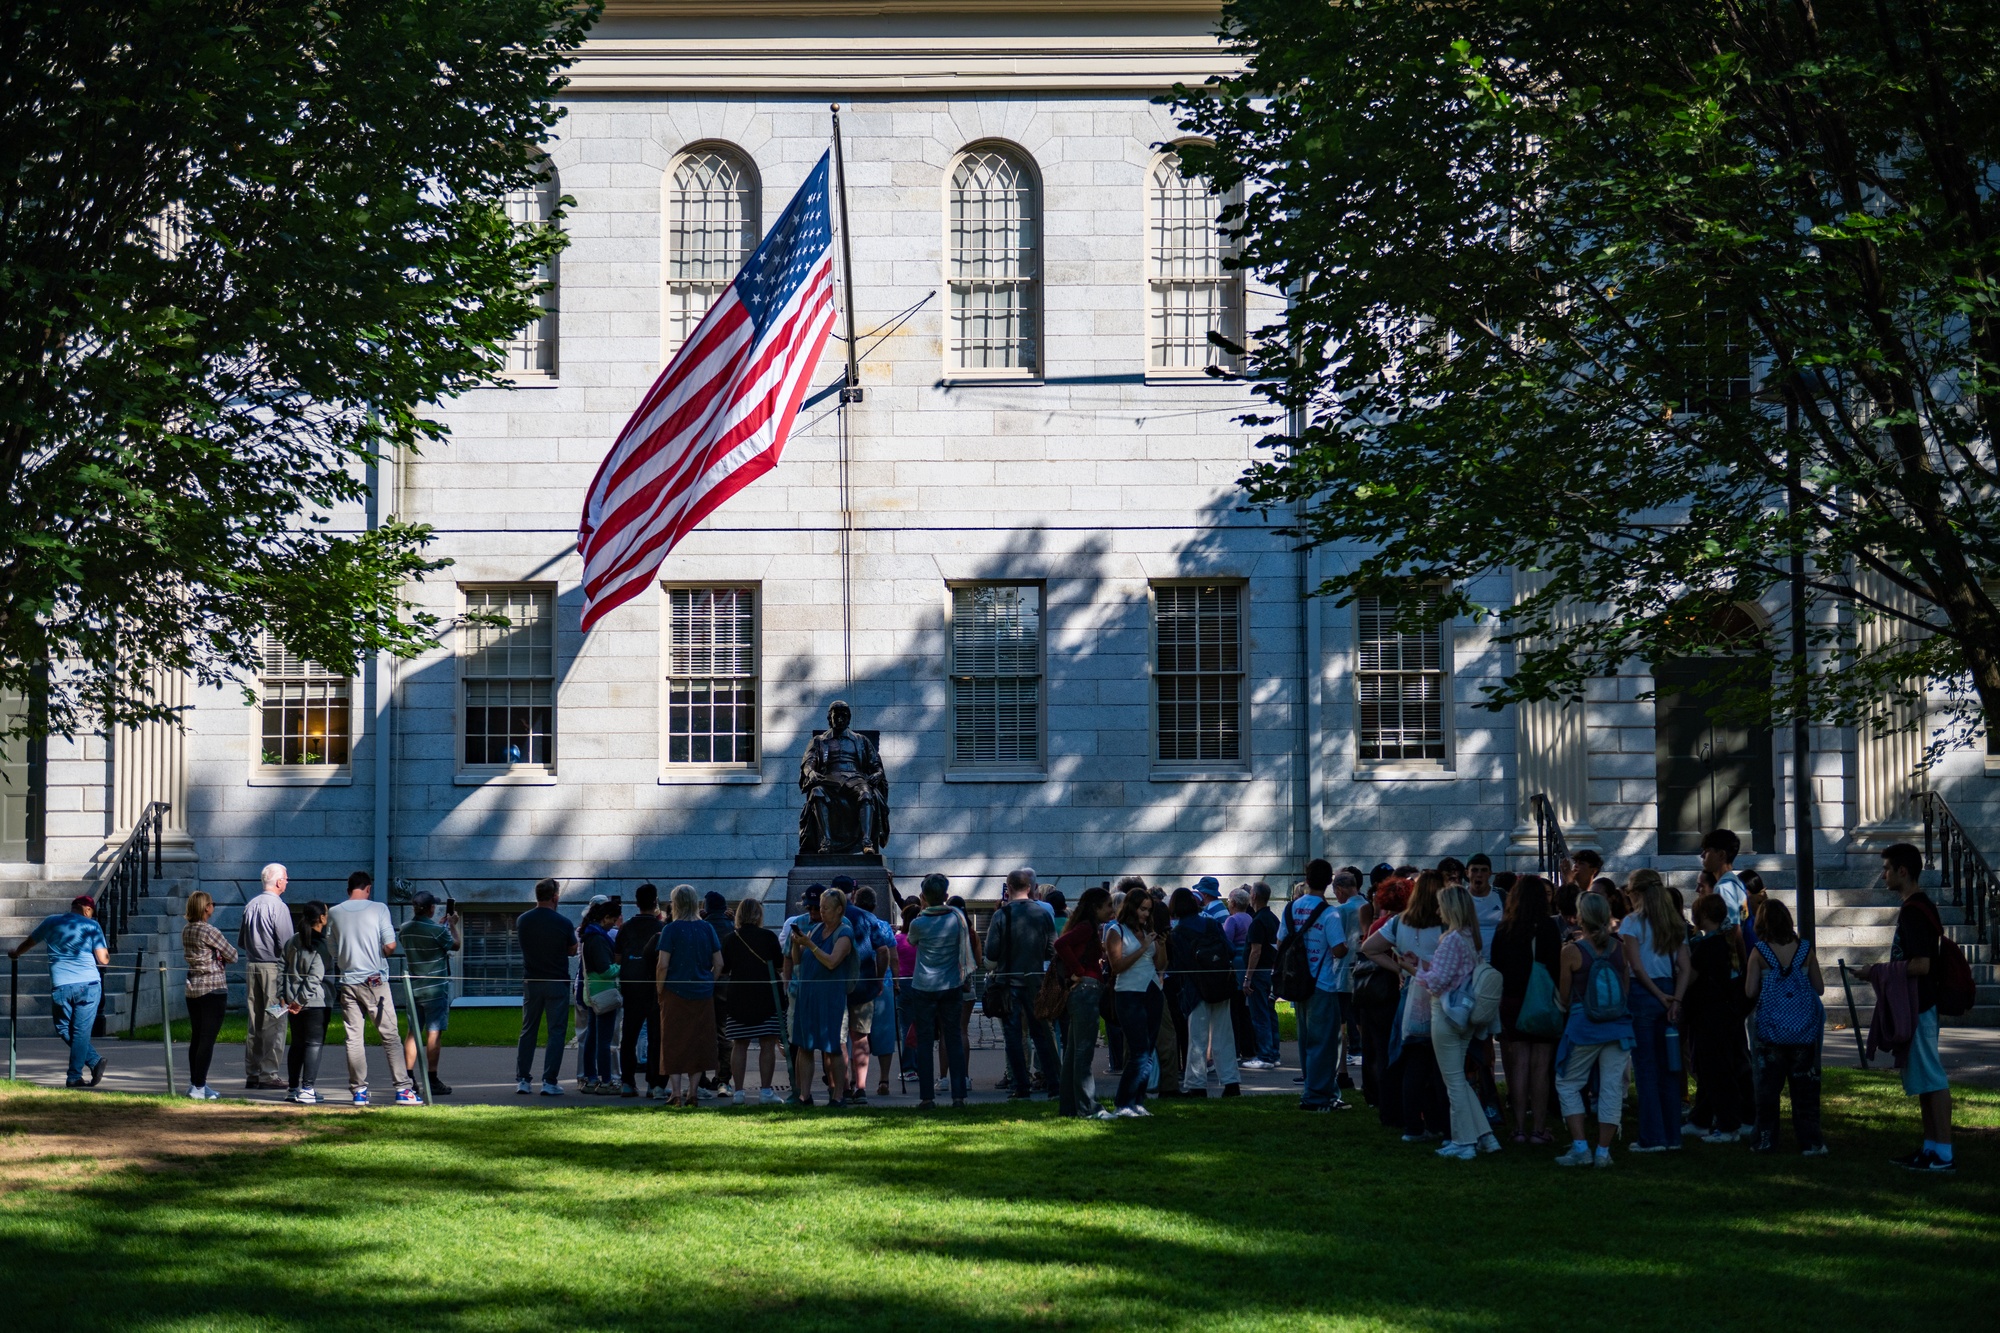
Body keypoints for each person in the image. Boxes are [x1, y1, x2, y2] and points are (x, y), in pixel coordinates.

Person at [1882, 842, 1955, 1172]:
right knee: (1925, 1079)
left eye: (1887, 869)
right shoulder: (1917, 906)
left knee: (1933, 1078)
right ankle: (1931, 1147)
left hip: (1920, 1002)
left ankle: (1943, 1153)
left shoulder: (1914, 910)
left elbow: (1922, 964)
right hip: (1918, 1002)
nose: (1883, 875)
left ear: (1903, 871)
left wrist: (1879, 971)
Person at [1363, 871, 1448, 1142]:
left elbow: (1369, 948)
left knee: (1413, 1063)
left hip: (1411, 997)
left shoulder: (1400, 922)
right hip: (1440, 996)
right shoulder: (1445, 923)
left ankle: (1413, 1126)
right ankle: (1440, 1124)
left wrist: (1400, 968)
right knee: (1440, 1065)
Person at [1552, 892, 1635, 1168]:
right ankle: (1603, 1152)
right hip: (1618, 1027)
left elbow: (1565, 996)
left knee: (1567, 1083)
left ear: (1581, 917)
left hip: (1584, 1027)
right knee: (1612, 1088)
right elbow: (1625, 989)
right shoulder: (1620, 948)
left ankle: (1580, 1147)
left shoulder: (1571, 951)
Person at [1417, 886, 1500, 1160]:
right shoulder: (1469, 937)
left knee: (1453, 1081)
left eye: (1441, 905)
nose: (1438, 910)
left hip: (1447, 1014)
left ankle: (1464, 1141)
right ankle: (1484, 1136)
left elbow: (1438, 982)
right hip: (1464, 1014)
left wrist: (1415, 970)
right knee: (1459, 1080)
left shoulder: (1452, 939)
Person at [324, 871, 418, 1106]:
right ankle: (403, 1088)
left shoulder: (334, 912)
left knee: (353, 1037)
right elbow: (390, 945)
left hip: (348, 980)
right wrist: (381, 953)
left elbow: (332, 948)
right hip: (374, 980)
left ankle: (359, 1091)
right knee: (390, 1035)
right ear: (368, 888)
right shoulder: (378, 909)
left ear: (348, 889)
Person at [1743, 898, 1827, 1156]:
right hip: (1803, 1032)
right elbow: (1819, 988)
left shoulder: (1759, 952)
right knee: (1805, 1091)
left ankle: (1766, 1140)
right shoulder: (1805, 949)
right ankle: (1811, 1142)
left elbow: (1750, 991)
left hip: (1769, 1033)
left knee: (1767, 1090)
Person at [1619, 868, 1690, 1151]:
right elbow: (1685, 967)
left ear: (1636, 893)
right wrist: (1676, 999)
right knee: (1669, 1067)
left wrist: (1660, 996)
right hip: (1670, 990)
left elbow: (1636, 967)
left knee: (1646, 1069)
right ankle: (1672, 1136)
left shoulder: (1632, 922)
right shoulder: (1674, 922)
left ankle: (1652, 1137)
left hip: (1643, 993)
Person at [8, 894, 110, 1089]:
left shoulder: (51, 921)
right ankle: (85, 1067)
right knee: (79, 1031)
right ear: (87, 909)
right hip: (88, 985)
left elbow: (29, 942)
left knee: (63, 1028)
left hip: (61, 985)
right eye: (91, 912)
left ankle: (82, 1070)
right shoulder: (92, 926)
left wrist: (16, 953)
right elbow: (103, 960)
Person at [1492, 874, 1562, 1143]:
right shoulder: (1548, 927)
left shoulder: (1504, 928)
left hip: (1511, 1000)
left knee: (1518, 1063)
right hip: (1542, 1000)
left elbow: (1496, 966)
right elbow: (1556, 966)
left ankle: (1519, 1128)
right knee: (1541, 1066)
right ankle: (1539, 1129)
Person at [985, 867, 1060, 1101]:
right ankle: (1054, 1085)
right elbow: (1052, 950)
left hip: (1008, 982)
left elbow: (991, 951)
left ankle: (1020, 1086)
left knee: (1014, 1037)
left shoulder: (1001, 915)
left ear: (1008, 888)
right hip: (1035, 981)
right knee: (1042, 1036)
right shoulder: (1043, 913)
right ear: (1030, 888)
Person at [1284, 861, 1351, 1113]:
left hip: (1297, 981)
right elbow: (1338, 949)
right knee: (1324, 1043)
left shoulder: (1291, 908)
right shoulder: (1329, 913)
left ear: (1307, 878)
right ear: (1329, 883)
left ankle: (1318, 1090)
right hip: (1322, 983)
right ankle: (1316, 1097)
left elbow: (1281, 942)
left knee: (1305, 1042)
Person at [1685, 893, 1750, 1143]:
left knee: (1716, 1072)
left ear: (1702, 916)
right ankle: (1701, 1120)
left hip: (1709, 1016)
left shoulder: (1706, 946)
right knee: (1711, 1069)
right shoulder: (1725, 942)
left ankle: (1728, 1125)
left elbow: (1690, 978)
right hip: (1725, 1015)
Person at [906, 873, 971, 1108]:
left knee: (925, 1042)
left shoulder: (918, 923)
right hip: (951, 984)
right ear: (945, 895)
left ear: (923, 897)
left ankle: (927, 1097)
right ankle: (958, 1095)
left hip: (924, 986)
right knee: (953, 1037)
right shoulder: (957, 919)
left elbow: (912, 941)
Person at [787, 884, 856, 1107]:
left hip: (830, 998)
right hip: (808, 995)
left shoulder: (844, 932)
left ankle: (838, 1096)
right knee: (805, 1046)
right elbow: (798, 961)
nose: (821, 911)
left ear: (839, 910)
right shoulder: (816, 929)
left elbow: (832, 962)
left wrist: (809, 944)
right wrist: (796, 943)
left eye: (826, 907)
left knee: (833, 1046)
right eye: (821, 907)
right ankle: (804, 1095)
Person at [655, 884, 724, 1107]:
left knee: (672, 1042)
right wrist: (709, 982)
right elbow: (719, 963)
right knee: (699, 1043)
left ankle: (676, 1093)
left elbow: (662, 965)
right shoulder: (707, 928)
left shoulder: (671, 929)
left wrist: (659, 989)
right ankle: (693, 1092)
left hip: (674, 992)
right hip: (702, 994)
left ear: (676, 903)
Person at [1168, 887, 1240, 1097]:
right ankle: (1231, 1083)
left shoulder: (1177, 933)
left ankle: (1197, 1085)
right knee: (1224, 1036)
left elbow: (1177, 966)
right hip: (1221, 984)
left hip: (1195, 989)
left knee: (1197, 1039)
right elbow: (1230, 950)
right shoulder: (1212, 924)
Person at [1054, 886, 1114, 1119]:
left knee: (1073, 1052)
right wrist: (1079, 970)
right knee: (1083, 1051)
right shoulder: (1087, 927)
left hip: (1084, 990)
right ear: (1095, 907)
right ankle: (1088, 1107)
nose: (1111, 910)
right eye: (1108, 905)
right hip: (1086, 990)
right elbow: (1061, 945)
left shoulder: (1087, 927)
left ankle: (1070, 1107)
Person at [515, 878, 578, 1096]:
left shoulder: (523, 920)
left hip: (531, 981)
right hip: (556, 982)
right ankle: (549, 1081)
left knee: (528, 1030)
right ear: (555, 897)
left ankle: (523, 1080)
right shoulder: (563, 922)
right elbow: (572, 949)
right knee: (556, 1032)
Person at [1105, 883, 1163, 1117]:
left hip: (1152, 991)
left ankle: (1137, 1101)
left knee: (1148, 1051)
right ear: (1131, 908)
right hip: (1128, 993)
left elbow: (1160, 964)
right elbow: (1117, 966)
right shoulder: (1115, 930)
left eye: (1149, 910)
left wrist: (1161, 944)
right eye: (1142, 909)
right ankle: (1123, 1103)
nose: (1146, 914)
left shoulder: (1147, 931)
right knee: (1138, 1051)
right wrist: (1143, 947)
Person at [721, 896, 786, 1105]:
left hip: (738, 996)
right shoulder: (768, 936)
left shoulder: (730, 938)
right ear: (759, 915)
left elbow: (724, 969)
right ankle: (765, 1091)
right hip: (766, 996)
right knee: (767, 1043)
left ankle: (739, 1092)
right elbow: (779, 965)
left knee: (739, 1044)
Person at [398, 891, 461, 1095]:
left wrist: (441, 928)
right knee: (434, 1033)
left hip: (414, 988)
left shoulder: (405, 928)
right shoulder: (437, 930)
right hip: (435, 988)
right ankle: (432, 1080)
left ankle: (409, 1079)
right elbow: (456, 945)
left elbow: (424, 941)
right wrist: (452, 925)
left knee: (412, 1032)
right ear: (431, 908)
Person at [237, 863, 294, 1090]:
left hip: (252, 967)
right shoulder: (279, 907)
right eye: (286, 878)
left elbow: (241, 941)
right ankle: (269, 1073)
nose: (287, 882)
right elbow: (288, 945)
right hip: (274, 969)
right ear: (279, 882)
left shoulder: (251, 905)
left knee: (255, 1021)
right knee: (275, 1021)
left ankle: (253, 1072)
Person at [181, 891, 237, 1100]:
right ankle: (199, 1086)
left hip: (193, 987)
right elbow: (233, 955)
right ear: (206, 907)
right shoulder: (209, 931)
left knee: (197, 1037)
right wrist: (219, 955)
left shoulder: (187, 930)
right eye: (212, 903)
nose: (213, 906)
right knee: (207, 1039)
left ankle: (196, 1083)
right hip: (213, 987)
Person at [843, 880, 895, 1104]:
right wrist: (885, 979)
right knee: (874, 1034)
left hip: (849, 983)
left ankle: (849, 1082)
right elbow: (890, 954)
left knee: (845, 1036)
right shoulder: (879, 923)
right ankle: (880, 1081)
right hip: (874, 983)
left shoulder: (839, 919)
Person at [279, 900, 334, 1104]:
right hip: (316, 1002)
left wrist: (283, 995)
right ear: (321, 918)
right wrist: (300, 1001)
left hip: (293, 1000)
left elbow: (281, 968)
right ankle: (307, 1088)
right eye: (326, 913)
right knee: (314, 1044)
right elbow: (315, 977)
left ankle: (293, 1088)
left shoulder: (293, 940)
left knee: (297, 1044)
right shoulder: (323, 945)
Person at [616, 884, 665, 1099]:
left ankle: (627, 1082)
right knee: (656, 1036)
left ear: (636, 903)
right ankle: (655, 1083)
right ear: (655, 902)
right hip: (654, 986)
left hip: (631, 985)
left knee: (629, 1035)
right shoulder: (661, 928)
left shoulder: (626, 927)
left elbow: (617, 958)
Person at [577, 899, 623, 1094]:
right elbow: (605, 970)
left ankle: (590, 1078)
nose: (614, 923)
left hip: (592, 993)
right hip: (604, 994)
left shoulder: (590, 934)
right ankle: (606, 1081)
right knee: (603, 1040)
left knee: (592, 1038)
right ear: (605, 918)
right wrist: (621, 966)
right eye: (613, 919)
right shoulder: (598, 938)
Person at [1241, 882, 1283, 1068]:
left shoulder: (1257, 921)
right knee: (1270, 1012)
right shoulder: (1273, 919)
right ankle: (1273, 1053)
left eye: (1251, 893)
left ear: (1254, 896)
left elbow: (1255, 951)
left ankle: (1265, 1055)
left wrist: (1247, 977)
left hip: (1259, 973)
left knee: (1260, 1014)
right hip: (1271, 971)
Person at [701, 890, 738, 1096]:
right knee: (725, 1033)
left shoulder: (702, 926)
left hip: (704, 984)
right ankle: (723, 1078)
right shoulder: (732, 927)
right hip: (727, 984)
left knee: (702, 1032)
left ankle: (700, 1077)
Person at [1700, 828, 1750, 926]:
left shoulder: (1724, 888)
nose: (1702, 855)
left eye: (1707, 850)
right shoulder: (1736, 882)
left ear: (1721, 855)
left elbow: (1732, 927)